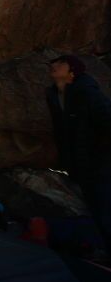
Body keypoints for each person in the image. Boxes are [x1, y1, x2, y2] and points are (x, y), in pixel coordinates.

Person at [46, 54, 111, 250]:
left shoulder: (86, 92)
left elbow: (107, 121)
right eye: (53, 64)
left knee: (105, 208)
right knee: (96, 209)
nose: (54, 66)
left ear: (72, 72)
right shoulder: (54, 95)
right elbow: (62, 133)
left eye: (60, 64)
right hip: (80, 165)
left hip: (100, 163)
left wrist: (100, 155)